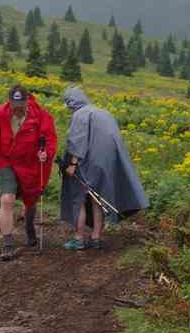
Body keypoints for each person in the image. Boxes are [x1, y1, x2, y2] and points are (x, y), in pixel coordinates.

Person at [60, 87, 149, 250]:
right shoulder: (104, 113)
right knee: (97, 200)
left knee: (78, 199)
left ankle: (78, 239)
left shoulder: (80, 115)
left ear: (72, 103)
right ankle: (96, 238)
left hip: (87, 163)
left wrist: (72, 164)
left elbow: (77, 141)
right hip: (108, 162)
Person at [0, 85, 57, 260]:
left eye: (21, 105)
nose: (18, 109)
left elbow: (50, 139)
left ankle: (29, 227)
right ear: (9, 101)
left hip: (30, 164)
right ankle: (8, 243)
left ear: (27, 101)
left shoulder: (41, 116)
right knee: (7, 198)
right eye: (15, 105)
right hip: (6, 161)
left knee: (31, 200)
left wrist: (45, 153)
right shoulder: (1, 115)